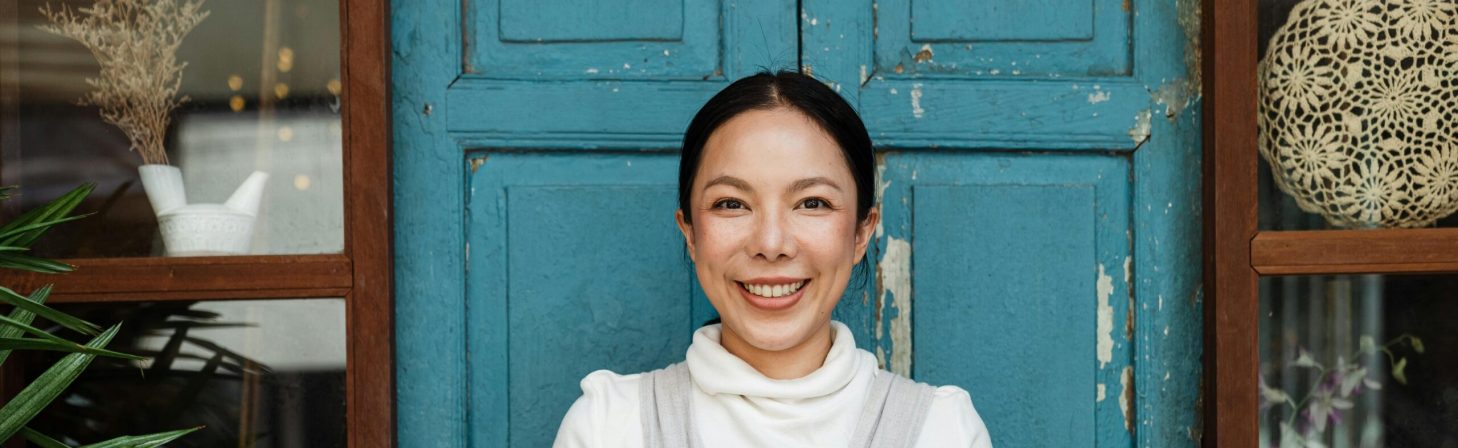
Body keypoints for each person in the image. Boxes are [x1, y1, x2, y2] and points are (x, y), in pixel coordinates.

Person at [553, 71, 992, 447]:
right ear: (690, 233)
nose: (771, 243)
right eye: (731, 204)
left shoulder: (941, 430)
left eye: (813, 203)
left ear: (862, 232)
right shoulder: (610, 426)